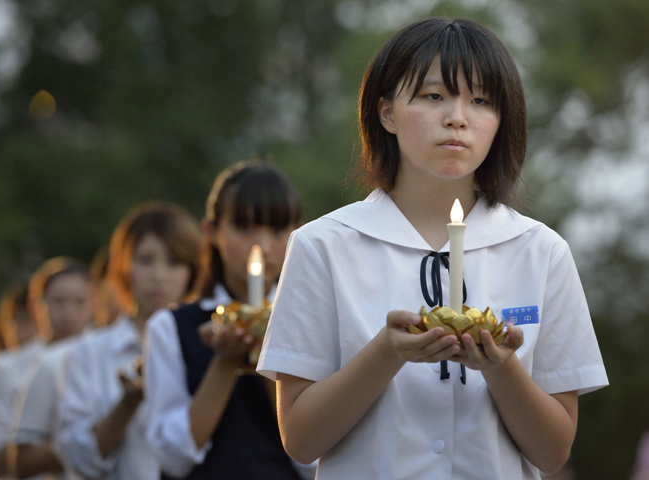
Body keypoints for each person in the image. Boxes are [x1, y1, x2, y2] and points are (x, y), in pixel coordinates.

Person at [256, 17, 609, 479]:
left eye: (481, 100)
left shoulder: (541, 252)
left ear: (502, 120)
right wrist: (387, 351)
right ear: (386, 113)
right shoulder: (323, 246)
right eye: (433, 96)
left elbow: (552, 452)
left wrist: (501, 367)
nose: (457, 117)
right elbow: (300, 439)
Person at [145, 161, 308, 479]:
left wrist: (269, 354)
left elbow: (316, 458)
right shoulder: (173, 327)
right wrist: (225, 361)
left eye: (277, 229)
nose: (262, 246)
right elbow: (173, 460)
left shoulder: (309, 320)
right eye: (244, 228)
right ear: (212, 231)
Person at [58, 202, 202, 480]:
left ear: (193, 270)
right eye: (146, 260)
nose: (159, 276)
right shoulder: (91, 351)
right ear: (124, 265)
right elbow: (77, 458)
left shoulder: (212, 346)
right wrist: (127, 404)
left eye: (174, 262)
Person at [7, 257, 94, 479]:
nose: (68, 312)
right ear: (37, 306)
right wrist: (94, 436)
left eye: (79, 302)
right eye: (58, 301)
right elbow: (12, 461)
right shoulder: (14, 367)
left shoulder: (104, 355)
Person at [0, 281, 45, 470]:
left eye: (27, 320)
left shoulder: (4, 365)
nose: (18, 329)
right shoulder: (3, 365)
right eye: (14, 320)